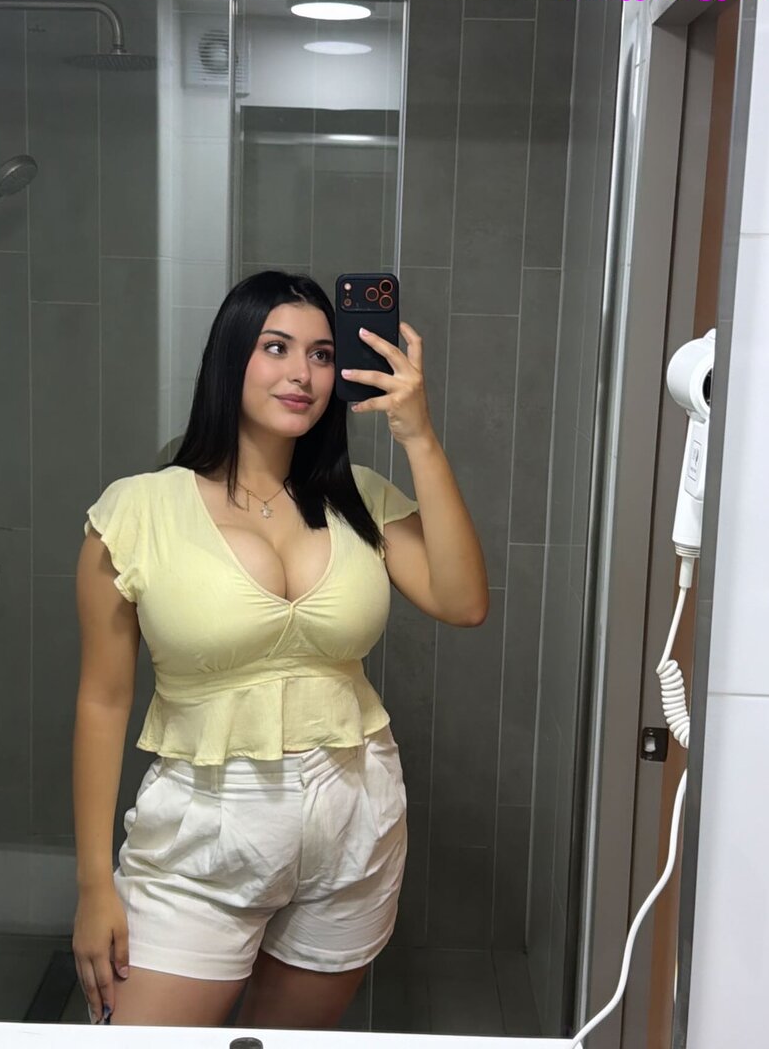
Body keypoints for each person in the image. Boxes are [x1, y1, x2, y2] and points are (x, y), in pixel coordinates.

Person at [71, 270, 488, 1029]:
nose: (303, 373)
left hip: (355, 818)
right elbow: (103, 700)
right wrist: (95, 884)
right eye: (276, 347)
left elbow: (464, 602)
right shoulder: (136, 509)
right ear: (231, 358)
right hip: (201, 832)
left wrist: (419, 436)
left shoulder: (360, 497)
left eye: (322, 354)